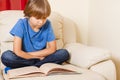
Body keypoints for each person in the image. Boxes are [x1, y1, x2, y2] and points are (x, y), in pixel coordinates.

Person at [1, 0, 70, 70]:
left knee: (63, 53)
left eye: (44, 18)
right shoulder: (21, 24)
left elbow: (52, 49)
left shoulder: (47, 24)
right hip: (26, 57)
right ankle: (37, 65)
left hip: (41, 57)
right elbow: (17, 51)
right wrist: (33, 57)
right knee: (6, 56)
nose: (41, 22)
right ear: (29, 15)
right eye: (38, 18)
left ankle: (27, 66)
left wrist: (33, 55)